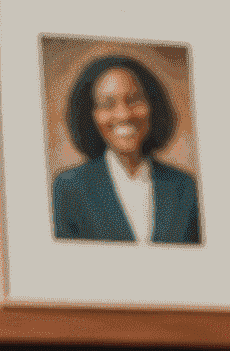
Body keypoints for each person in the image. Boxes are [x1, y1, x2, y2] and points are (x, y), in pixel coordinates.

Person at [50, 54, 200, 245]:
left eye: (134, 99)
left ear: (152, 106)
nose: (124, 114)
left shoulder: (184, 187)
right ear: (90, 115)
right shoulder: (70, 188)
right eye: (107, 104)